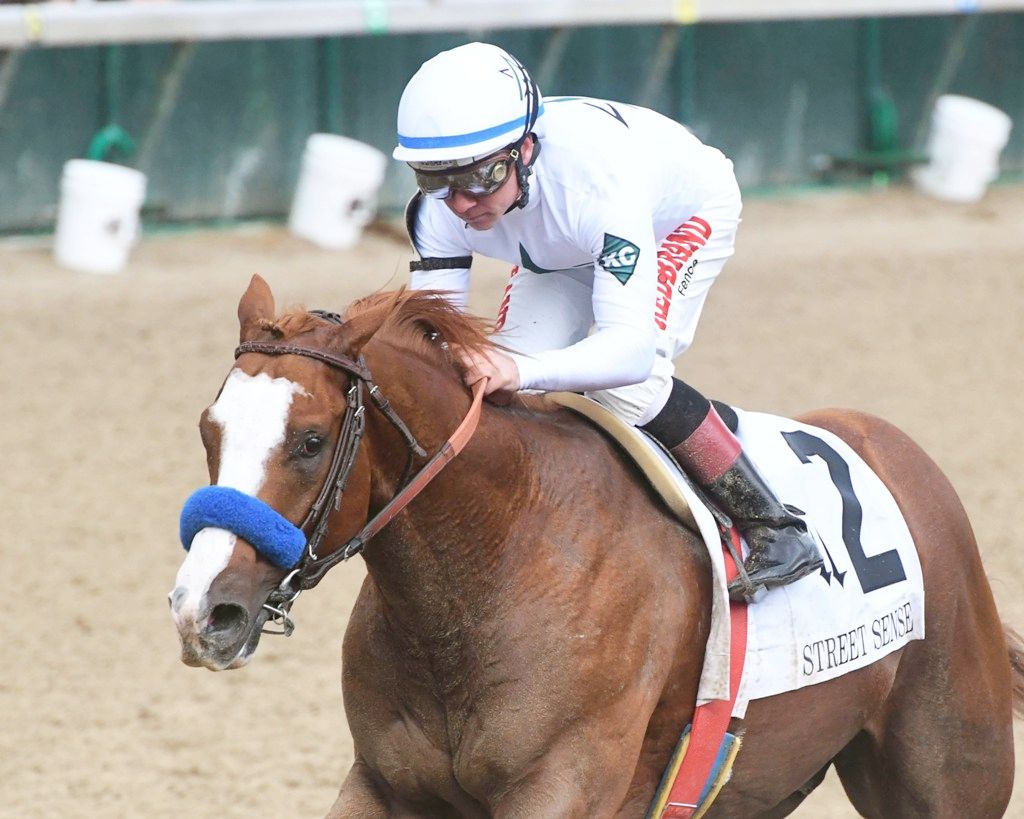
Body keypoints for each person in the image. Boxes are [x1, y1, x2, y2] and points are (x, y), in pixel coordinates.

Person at [393, 41, 822, 602]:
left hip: (674, 221)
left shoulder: (595, 184)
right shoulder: (440, 212)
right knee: (496, 388)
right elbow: (434, 344)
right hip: (560, 249)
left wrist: (521, 368)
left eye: (483, 176)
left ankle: (774, 526)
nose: (462, 203)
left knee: (625, 382)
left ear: (525, 149)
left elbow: (627, 352)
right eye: (435, 180)